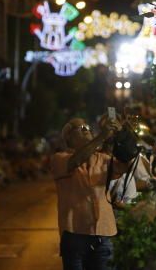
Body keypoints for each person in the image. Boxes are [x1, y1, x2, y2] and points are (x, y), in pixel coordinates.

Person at [51, 116, 124, 270]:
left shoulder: (103, 158)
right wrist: (102, 136)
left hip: (103, 234)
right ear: (69, 137)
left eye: (89, 128)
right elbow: (75, 161)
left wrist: (122, 136)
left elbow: (125, 166)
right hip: (74, 234)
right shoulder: (59, 159)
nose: (88, 131)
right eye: (82, 128)